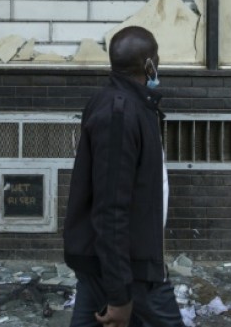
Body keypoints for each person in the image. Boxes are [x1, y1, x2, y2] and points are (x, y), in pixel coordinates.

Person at [63, 26, 184, 327]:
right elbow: (110, 208)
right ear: (149, 64)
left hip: (115, 260)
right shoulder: (119, 113)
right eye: (157, 57)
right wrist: (119, 294)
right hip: (130, 267)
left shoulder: (131, 104)